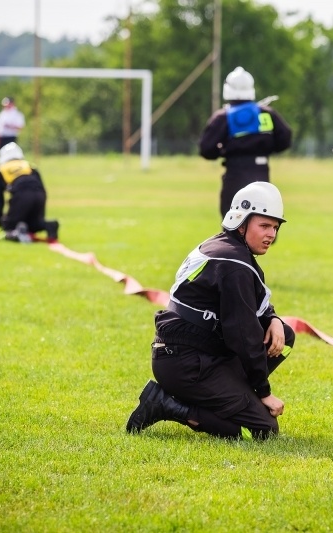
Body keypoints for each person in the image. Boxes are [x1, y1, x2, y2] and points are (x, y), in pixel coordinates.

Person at [126, 182, 296, 440]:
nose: (271, 234)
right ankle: (165, 403)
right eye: (264, 225)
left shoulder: (227, 247)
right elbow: (244, 335)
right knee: (261, 431)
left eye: (275, 227)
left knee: (283, 335)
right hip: (186, 365)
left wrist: (271, 318)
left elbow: (252, 299)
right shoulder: (234, 264)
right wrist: (264, 393)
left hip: (194, 354)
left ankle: (235, 399)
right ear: (241, 223)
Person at [199, 66, 293, 218]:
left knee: (233, 224)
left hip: (235, 172)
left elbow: (206, 148)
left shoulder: (223, 117)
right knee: (261, 220)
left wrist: (221, 150)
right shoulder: (266, 112)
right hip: (261, 171)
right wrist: (267, 148)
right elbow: (285, 138)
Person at [0, 142, 59, 244]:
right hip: (39, 194)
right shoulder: (30, 166)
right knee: (33, 224)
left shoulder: (0, 170)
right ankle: (48, 225)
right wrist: (40, 217)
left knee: (10, 226)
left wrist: (1, 222)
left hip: (21, 195)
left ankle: (17, 232)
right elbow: (41, 188)